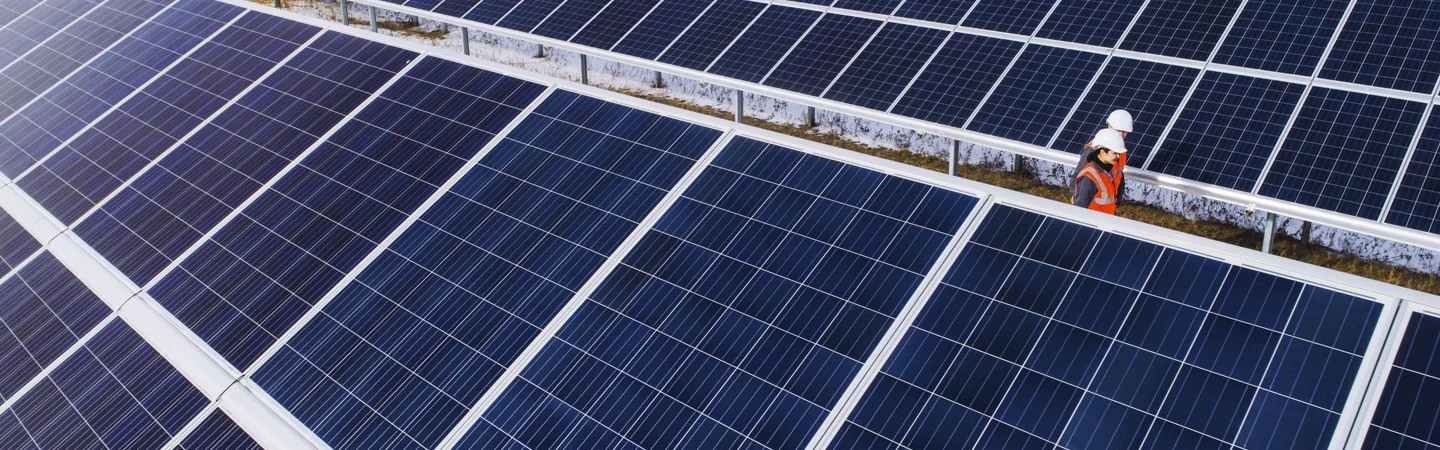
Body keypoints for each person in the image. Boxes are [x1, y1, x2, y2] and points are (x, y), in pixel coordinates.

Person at [1071, 109, 1133, 205]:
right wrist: (1075, 200)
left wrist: (1118, 197)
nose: (1121, 134)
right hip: (1093, 208)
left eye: (1124, 132)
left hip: (1109, 203)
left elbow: (1119, 173)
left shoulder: (1120, 148)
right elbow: (1079, 176)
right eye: (1118, 130)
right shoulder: (1093, 150)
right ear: (1109, 126)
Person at [1073, 128, 1127, 215]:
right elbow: (1079, 210)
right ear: (1102, 152)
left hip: (1106, 223)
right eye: (1114, 153)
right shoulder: (1089, 177)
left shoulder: (1109, 171)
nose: (1118, 156)